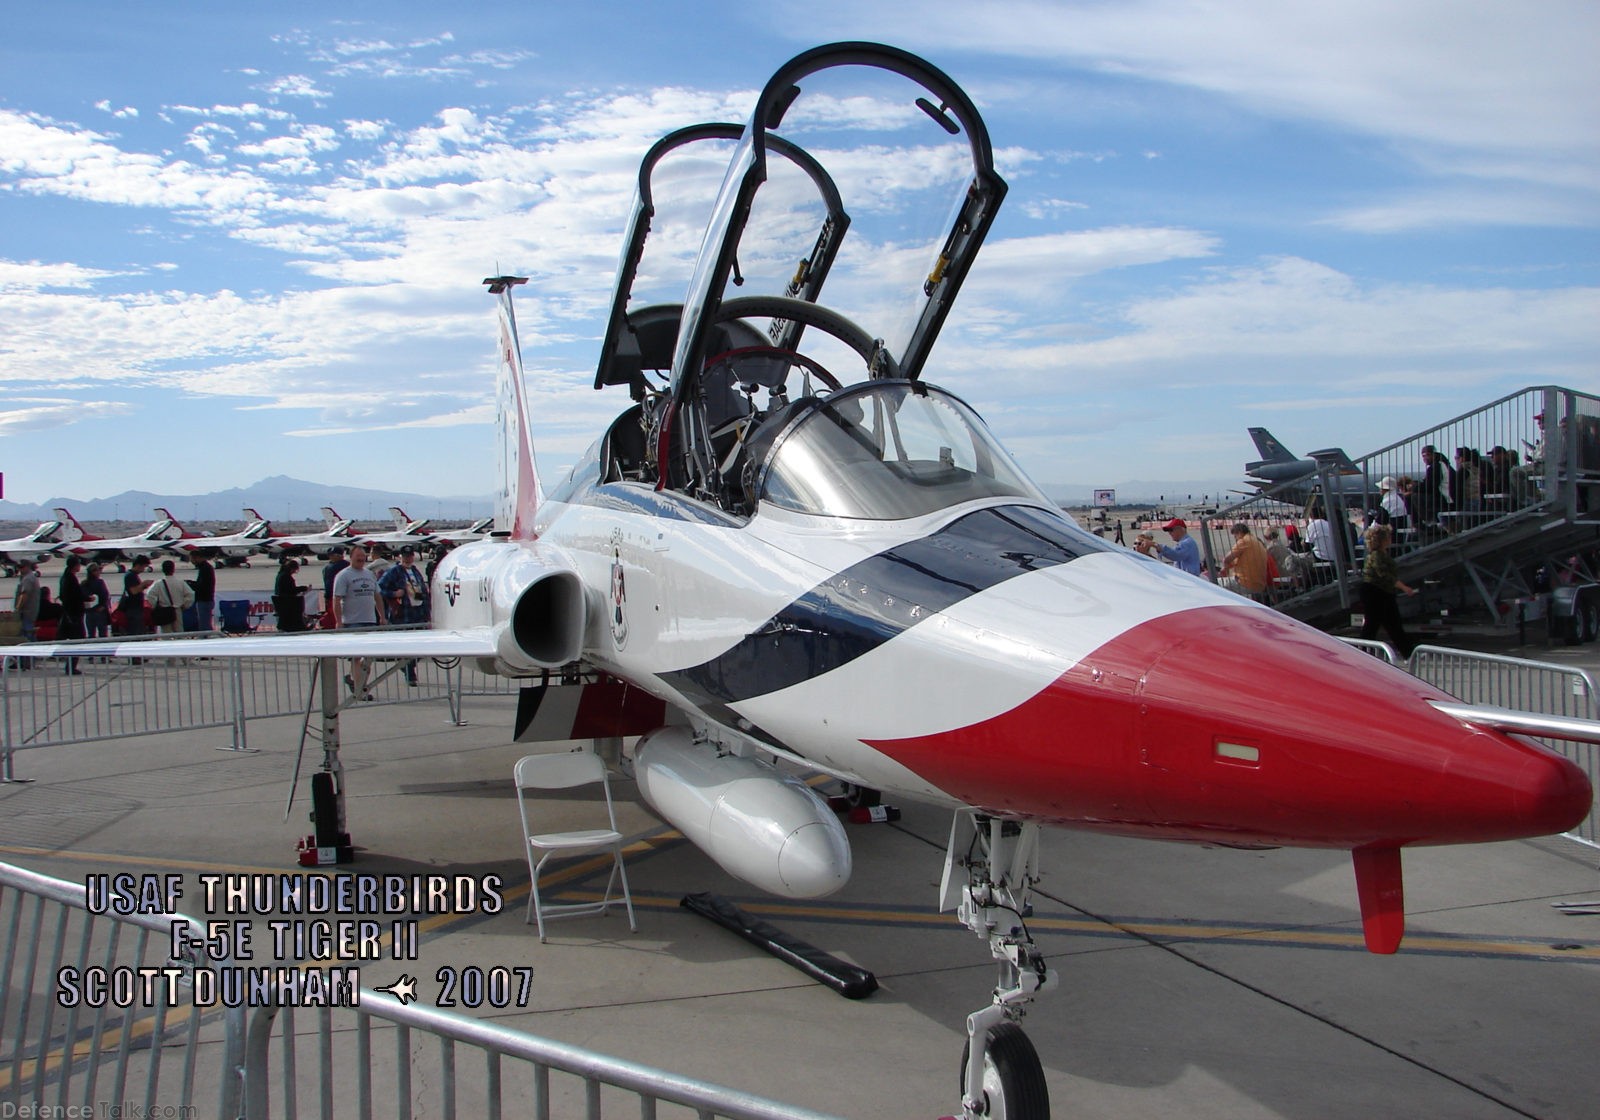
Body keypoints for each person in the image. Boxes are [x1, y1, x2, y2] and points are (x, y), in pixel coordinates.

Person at [331, 545, 385, 699]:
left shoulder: (369, 574)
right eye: (358, 558)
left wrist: (382, 616)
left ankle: (354, 680)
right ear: (351, 558)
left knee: (367, 659)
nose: (361, 560)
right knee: (356, 657)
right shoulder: (344, 576)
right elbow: (337, 599)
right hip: (352, 622)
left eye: (363, 557)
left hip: (370, 620)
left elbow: (377, 596)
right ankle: (359, 690)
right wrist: (339, 621)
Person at [1359, 524, 1416, 656]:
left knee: (1392, 624)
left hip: (1383, 592)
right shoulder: (1376, 555)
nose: (1390, 539)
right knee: (1373, 624)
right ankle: (1363, 653)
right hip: (1374, 591)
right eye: (1388, 536)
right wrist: (1404, 587)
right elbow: (1384, 575)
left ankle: (1408, 652)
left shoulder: (1382, 554)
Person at [379, 546, 430, 684]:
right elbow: (380, 588)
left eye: (410, 556)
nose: (408, 558)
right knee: (408, 644)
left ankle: (407, 665)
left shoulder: (415, 571)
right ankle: (409, 672)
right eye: (405, 556)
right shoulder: (394, 572)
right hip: (403, 614)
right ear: (400, 557)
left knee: (421, 646)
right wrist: (394, 594)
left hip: (418, 612)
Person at [1218, 523, 1271, 598]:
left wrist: (1225, 570)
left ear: (1239, 532)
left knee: (1215, 583)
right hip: (1259, 584)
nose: (1236, 539)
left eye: (1235, 536)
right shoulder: (1256, 541)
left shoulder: (1244, 541)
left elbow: (1226, 559)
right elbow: (1235, 561)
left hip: (1246, 583)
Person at [148, 559, 194, 635]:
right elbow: (190, 594)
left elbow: (150, 595)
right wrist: (185, 605)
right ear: (173, 569)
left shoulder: (158, 583)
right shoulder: (180, 582)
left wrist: (155, 605)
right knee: (179, 633)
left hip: (164, 611)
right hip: (177, 610)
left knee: (166, 634)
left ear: (163, 570)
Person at [57, 555, 86, 674]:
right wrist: (87, 598)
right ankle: (71, 667)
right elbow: (75, 596)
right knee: (76, 640)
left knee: (73, 641)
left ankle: (70, 666)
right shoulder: (70, 579)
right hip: (73, 615)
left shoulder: (65, 578)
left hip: (69, 613)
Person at [274, 558, 309, 632]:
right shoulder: (286, 577)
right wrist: (304, 588)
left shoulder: (280, 575)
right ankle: (300, 625)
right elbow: (291, 590)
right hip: (287, 601)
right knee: (299, 604)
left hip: (282, 601)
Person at [13, 559, 41, 643]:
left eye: (22, 567)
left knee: (27, 635)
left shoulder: (27, 579)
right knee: (30, 633)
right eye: (18, 567)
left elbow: (24, 594)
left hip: (27, 612)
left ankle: (31, 653)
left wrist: (17, 608)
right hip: (31, 611)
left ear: (28, 567)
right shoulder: (29, 577)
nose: (20, 569)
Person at [119, 558, 149, 637]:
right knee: (136, 631)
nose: (143, 570)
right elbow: (133, 591)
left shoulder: (133, 575)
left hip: (136, 608)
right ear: (138, 565)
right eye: (143, 567)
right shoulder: (130, 576)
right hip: (133, 609)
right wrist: (143, 584)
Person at [83, 562, 113, 640]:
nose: (99, 572)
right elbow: (105, 595)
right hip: (99, 611)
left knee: (91, 635)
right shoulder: (99, 582)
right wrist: (103, 606)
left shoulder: (84, 583)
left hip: (89, 612)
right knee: (102, 634)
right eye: (97, 570)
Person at [191, 554, 216, 632]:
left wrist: (192, 585)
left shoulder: (205, 569)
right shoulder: (205, 568)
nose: (191, 561)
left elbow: (203, 586)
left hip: (204, 600)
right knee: (205, 623)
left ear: (198, 558)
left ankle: (205, 639)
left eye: (192, 558)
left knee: (204, 625)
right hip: (206, 599)